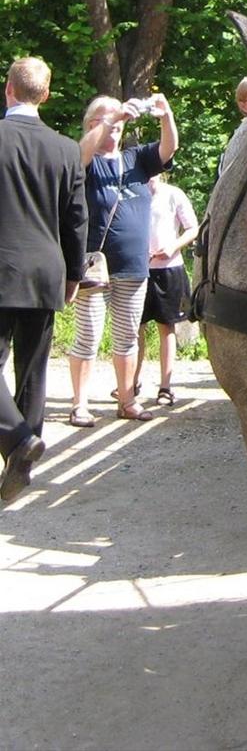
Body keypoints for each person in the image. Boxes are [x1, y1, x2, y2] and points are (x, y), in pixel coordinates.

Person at [0, 57, 88, 501]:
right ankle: (24, 452)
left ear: (7, 89)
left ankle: (18, 442)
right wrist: (75, 273)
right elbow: (77, 219)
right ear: (46, 95)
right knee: (33, 368)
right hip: (45, 270)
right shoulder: (66, 148)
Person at [68, 93, 178, 426]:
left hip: (133, 266)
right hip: (95, 267)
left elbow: (168, 148)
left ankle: (127, 401)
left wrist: (165, 115)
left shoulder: (136, 159)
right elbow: (79, 156)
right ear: (92, 124)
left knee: (128, 335)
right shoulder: (87, 159)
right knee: (87, 334)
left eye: (119, 120)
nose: (116, 126)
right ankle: (79, 404)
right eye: (106, 119)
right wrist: (112, 119)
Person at [134, 175, 198, 406]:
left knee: (167, 327)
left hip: (169, 269)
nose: (149, 177)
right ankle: (132, 382)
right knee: (135, 328)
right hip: (138, 269)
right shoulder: (133, 193)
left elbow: (193, 229)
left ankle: (165, 386)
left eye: (154, 171)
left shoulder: (174, 194)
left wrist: (172, 246)